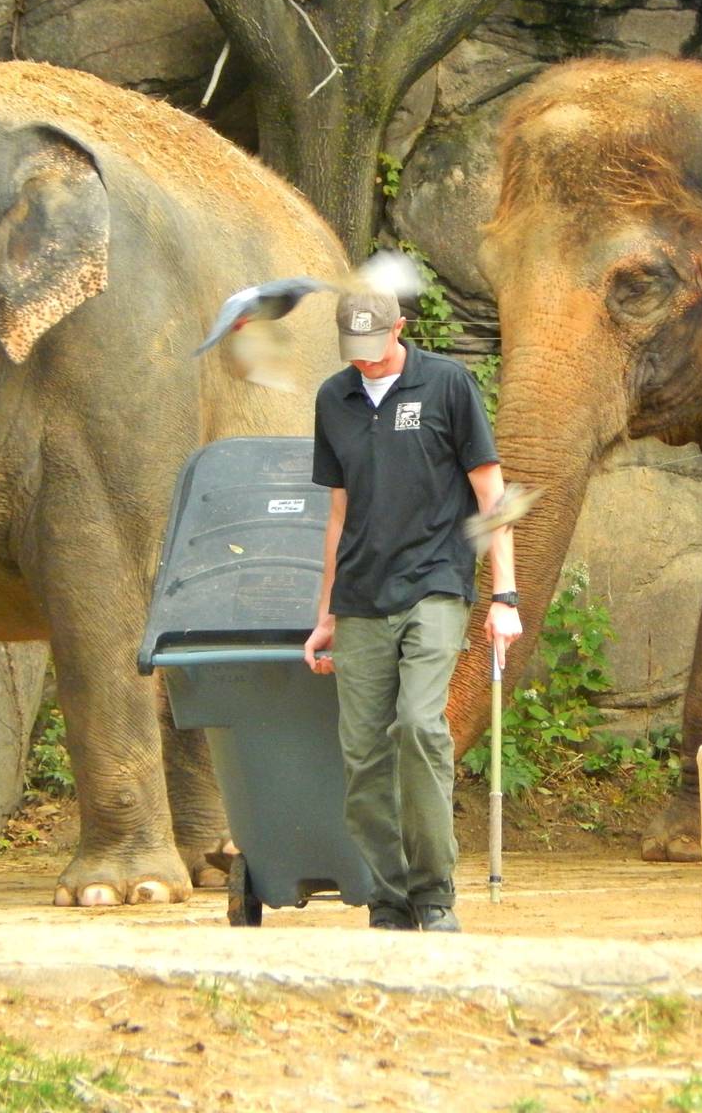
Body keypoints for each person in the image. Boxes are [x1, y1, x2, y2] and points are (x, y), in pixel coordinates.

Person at [304, 290, 522, 932]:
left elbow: (493, 495)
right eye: (356, 353)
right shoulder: (332, 399)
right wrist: (325, 612)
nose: (368, 364)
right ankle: (390, 897)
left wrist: (504, 597)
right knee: (364, 754)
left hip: (435, 583)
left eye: (377, 349)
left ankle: (433, 893)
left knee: (421, 726)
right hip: (361, 597)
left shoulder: (447, 385)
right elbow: (338, 514)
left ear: (400, 329)